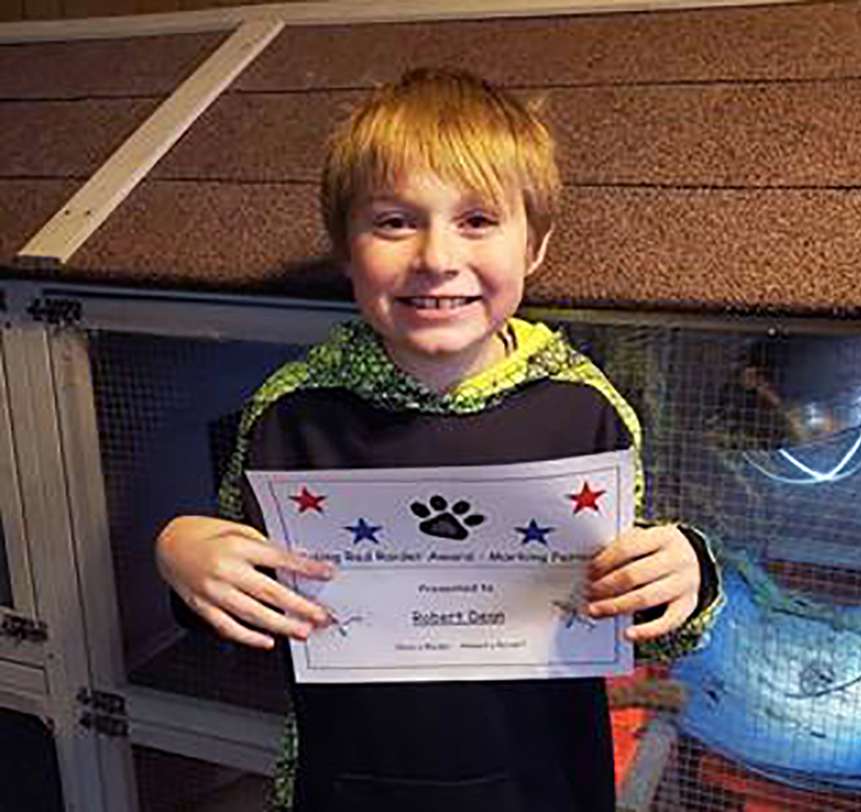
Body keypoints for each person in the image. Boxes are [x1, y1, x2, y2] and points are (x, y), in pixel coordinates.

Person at [156, 67, 723, 812]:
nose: (435, 257)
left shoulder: (584, 408)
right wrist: (183, 550)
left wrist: (686, 570)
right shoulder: (292, 412)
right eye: (394, 221)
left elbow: (641, 619)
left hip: (544, 779)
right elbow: (245, 604)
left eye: (478, 220)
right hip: (353, 781)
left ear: (535, 248)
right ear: (346, 248)